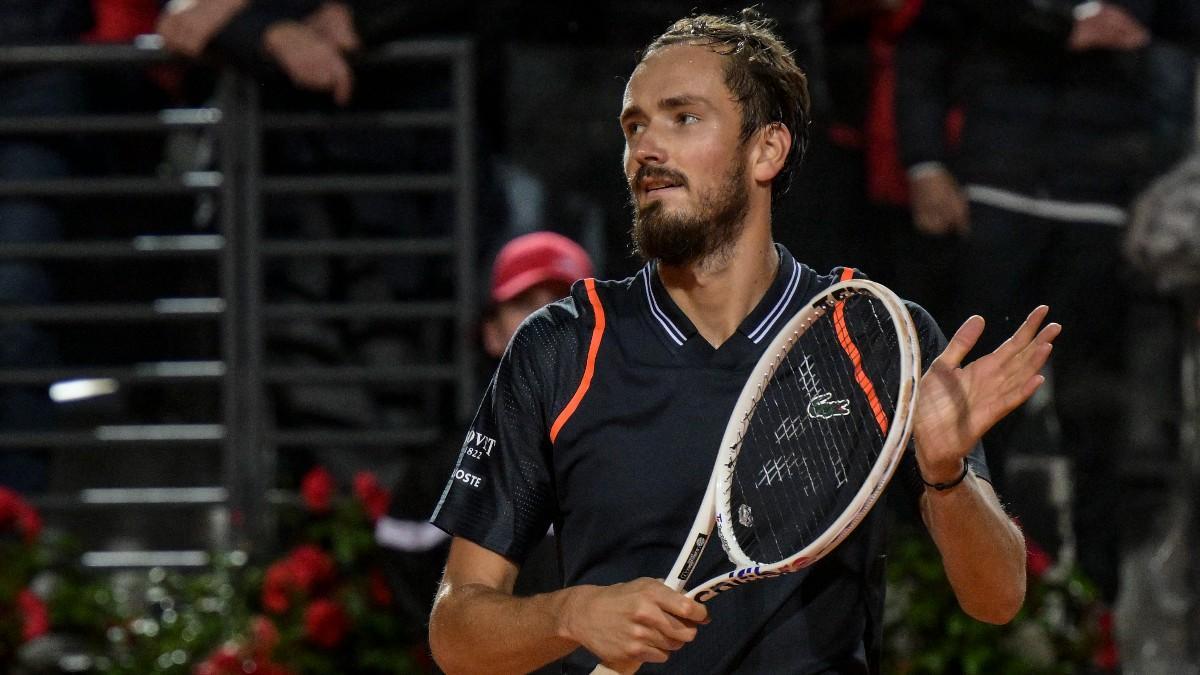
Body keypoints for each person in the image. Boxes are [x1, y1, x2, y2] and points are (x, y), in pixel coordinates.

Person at [429, 10, 1057, 674]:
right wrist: (569, 613)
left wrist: (947, 475)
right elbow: (456, 628)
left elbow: (997, 597)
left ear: (767, 149)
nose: (645, 148)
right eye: (634, 125)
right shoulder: (559, 347)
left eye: (683, 118)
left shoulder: (873, 336)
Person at [894, 0, 1200, 608]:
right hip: (995, 202)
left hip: (1110, 214)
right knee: (968, 423)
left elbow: (1183, 41)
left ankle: (1095, 617)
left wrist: (1164, 175)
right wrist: (924, 162)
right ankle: (953, 614)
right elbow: (929, 44)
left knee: (1101, 427)